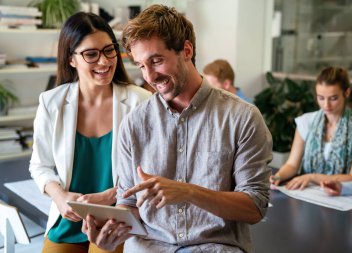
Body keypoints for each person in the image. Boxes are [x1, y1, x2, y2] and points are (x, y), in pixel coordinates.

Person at [82, 5, 272, 253]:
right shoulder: (133, 123)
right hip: (149, 247)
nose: (150, 76)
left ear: (187, 51)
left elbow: (255, 208)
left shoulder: (242, 117)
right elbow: (128, 202)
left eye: (157, 61)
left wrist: (189, 192)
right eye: (141, 66)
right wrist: (111, 232)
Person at [29, 12, 151, 253]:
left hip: (118, 219)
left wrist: (111, 196)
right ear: (71, 59)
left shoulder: (141, 102)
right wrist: (60, 197)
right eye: (91, 54)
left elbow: (154, 170)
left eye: (109, 50)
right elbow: (39, 165)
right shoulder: (51, 102)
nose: (104, 62)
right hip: (70, 219)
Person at [270, 66, 352, 190]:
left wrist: (313, 177)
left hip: (342, 197)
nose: (326, 105)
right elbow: (292, 165)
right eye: (321, 98)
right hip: (306, 194)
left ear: (346, 93)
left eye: (333, 98)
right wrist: (278, 177)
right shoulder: (306, 121)